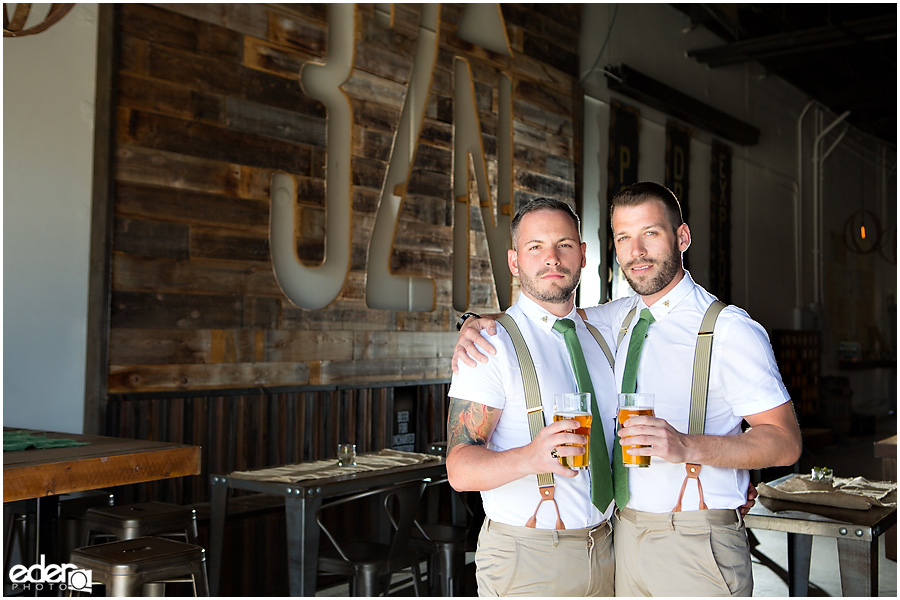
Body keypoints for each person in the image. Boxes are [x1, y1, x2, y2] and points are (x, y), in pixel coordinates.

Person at [453, 182, 802, 596]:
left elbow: (785, 442)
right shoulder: (616, 320)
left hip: (692, 542)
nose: (636, 251)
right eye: (623, 238)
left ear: (682, 237)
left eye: (650, 233)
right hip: (615, 543)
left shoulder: (730, 329)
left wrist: (688, 447)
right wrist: (476, 322)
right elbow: (545, 313)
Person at [446, 197, 618, 596]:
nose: (552, 258)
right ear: (514, 261)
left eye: (564, 244)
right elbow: (459, 469)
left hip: (609, 549)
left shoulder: (604, 335)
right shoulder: (489, 344)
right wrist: (530, 458)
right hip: (529, 559)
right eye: (535, 247)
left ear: (583, 255)